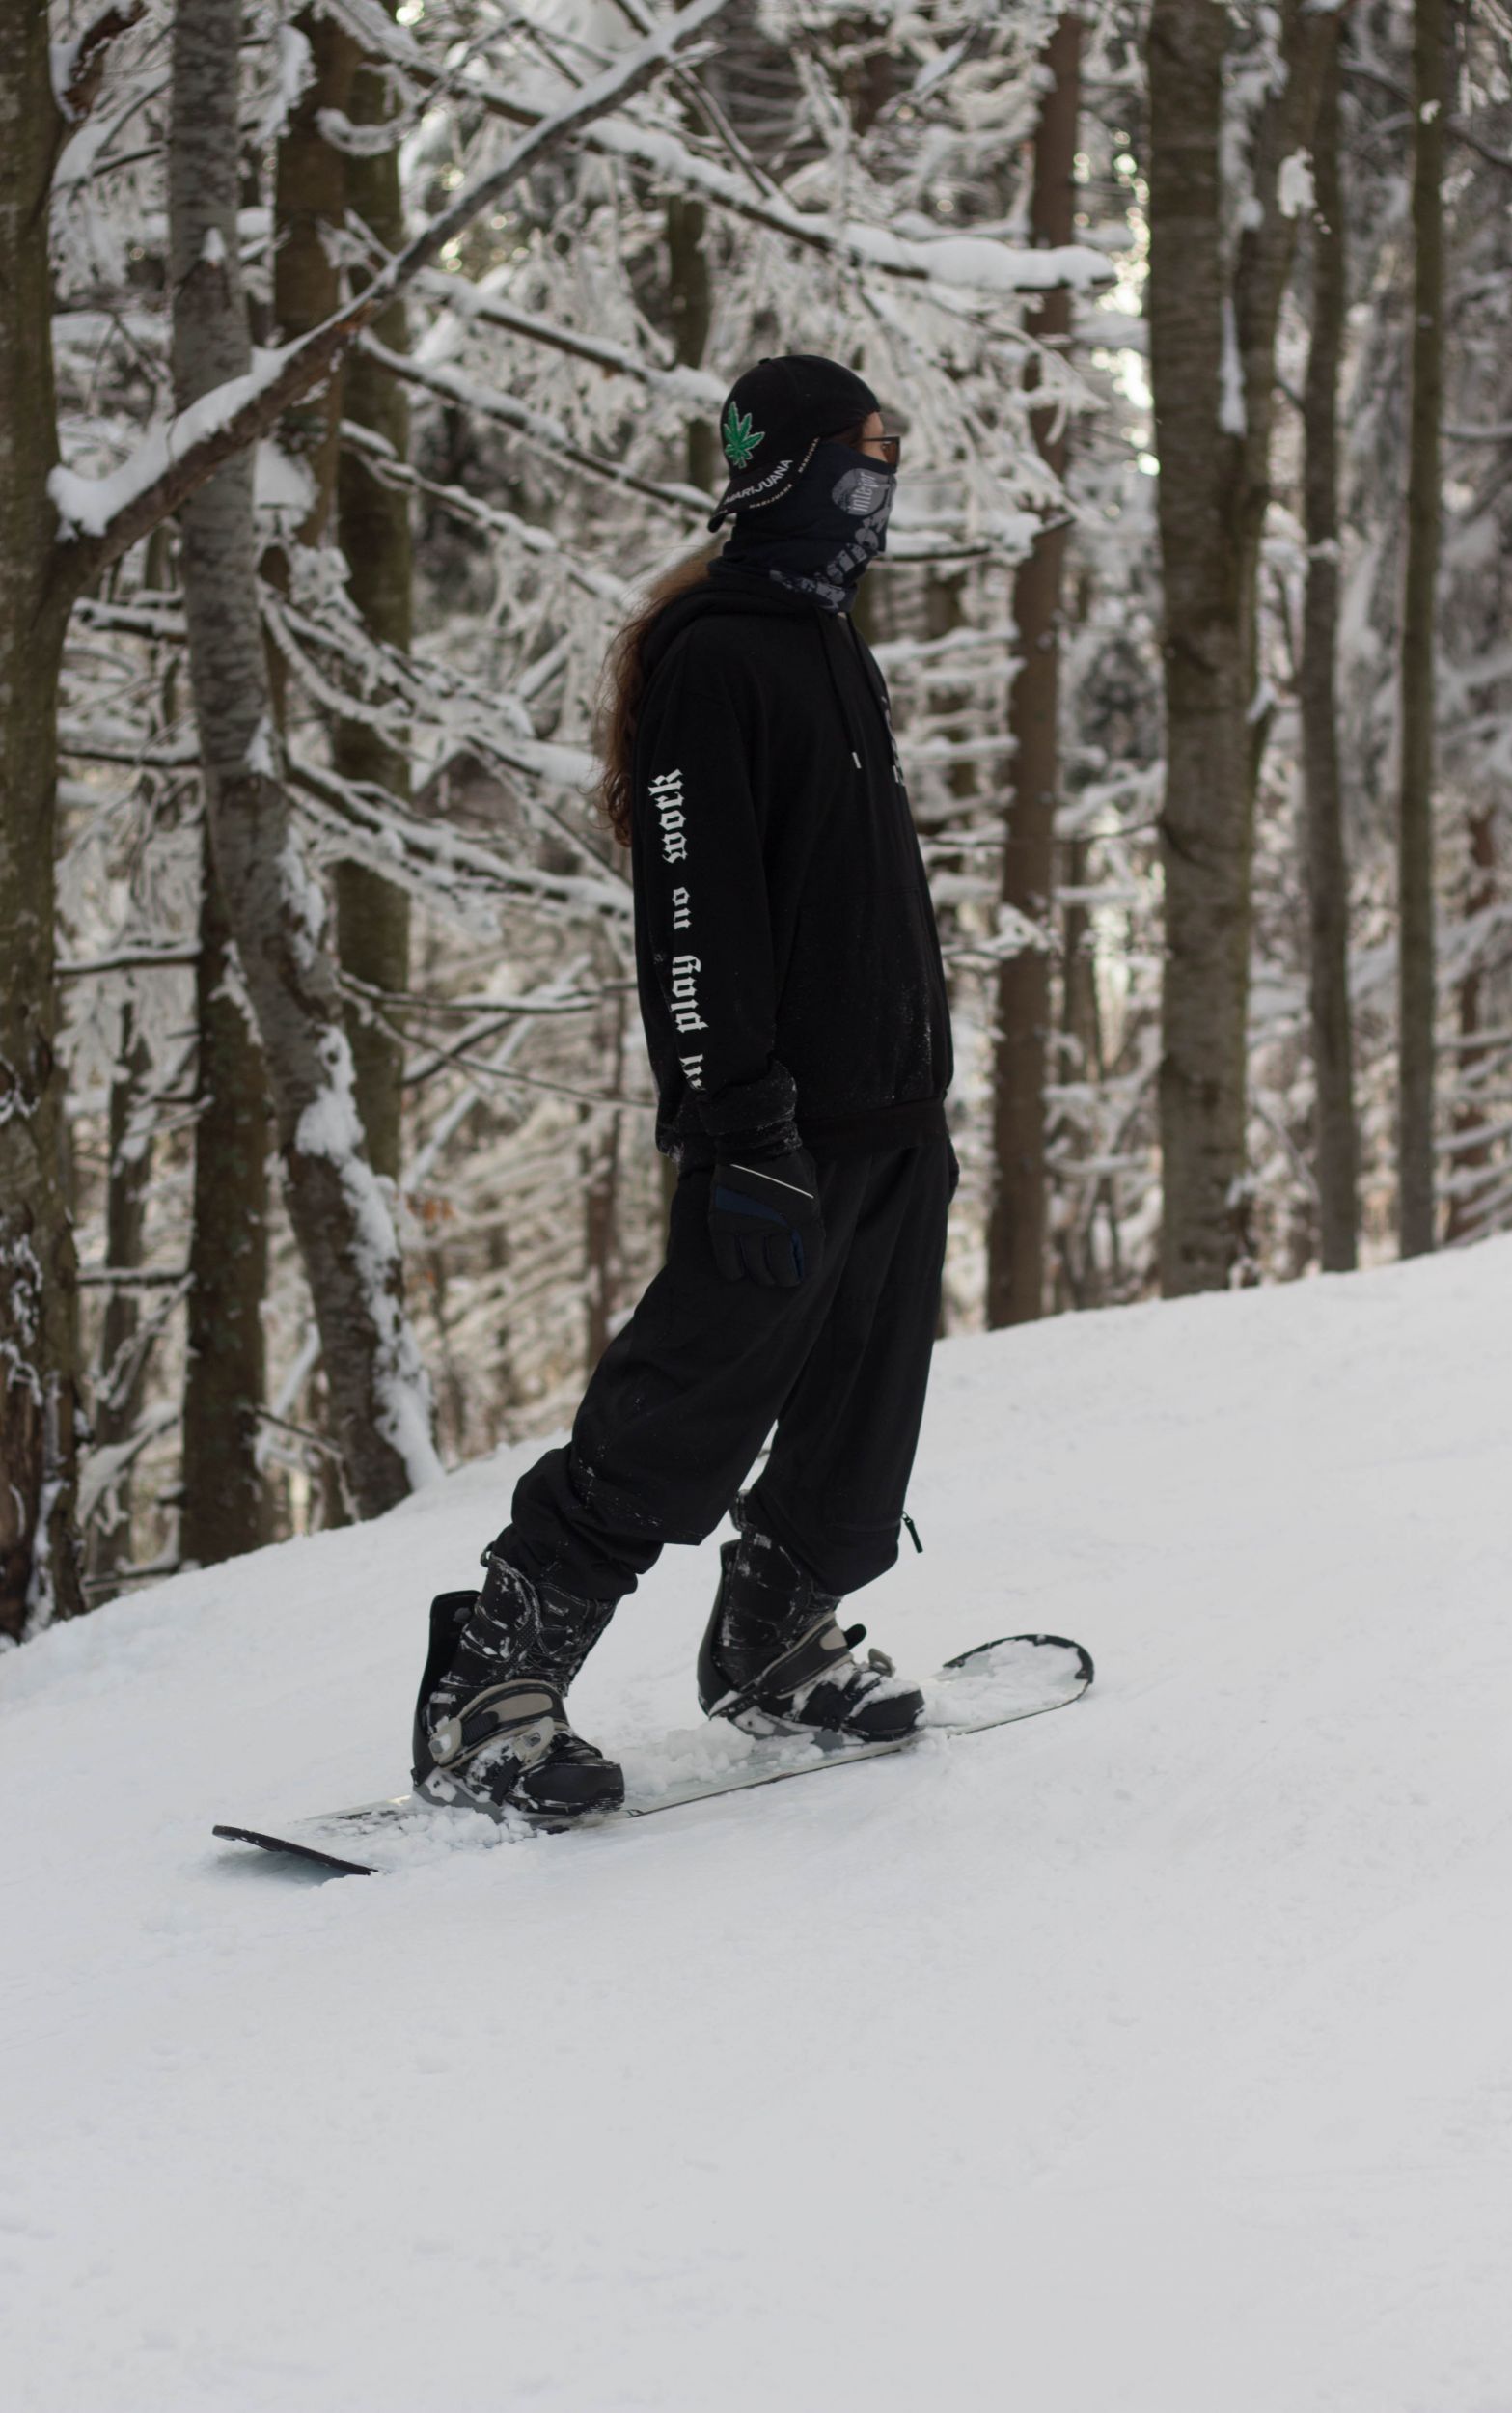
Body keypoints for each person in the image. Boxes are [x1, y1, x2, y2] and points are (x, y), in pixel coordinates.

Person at [411, 354, 956, 1817]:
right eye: (867, 452)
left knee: (861, 1416)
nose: (884, 482)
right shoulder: (718, 657)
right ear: (792, 466)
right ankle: (489, 1686)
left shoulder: (829, 643)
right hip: (776, 1127)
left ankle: (775, 1634)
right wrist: (741, 1125)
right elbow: (698, 919)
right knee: (684, 1410)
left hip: (892, 1116)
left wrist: (921, 1104)